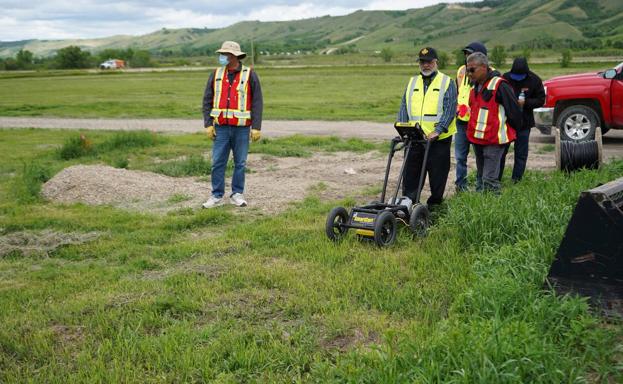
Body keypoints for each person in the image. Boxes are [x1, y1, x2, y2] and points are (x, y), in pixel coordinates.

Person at [201, 41, 263, 208]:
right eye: (222, 54)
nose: (222, 57)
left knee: (240, 163)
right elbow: (207, 100)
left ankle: (237, 193)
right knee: (217, 162)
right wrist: (208, 124)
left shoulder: (250, 74)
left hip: (242, 129)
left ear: (234, 56)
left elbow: (257, 102)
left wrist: (256, 127)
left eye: (225, 54)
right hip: (220, 128)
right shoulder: (215, 74)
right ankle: (216, 196)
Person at [397, 47, 457, 207]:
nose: (426, 65)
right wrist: (403, 129)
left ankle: (434, 207)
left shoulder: (447, 82)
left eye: (429, 62)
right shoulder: (412, 82)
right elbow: (404, 106)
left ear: (436, 62)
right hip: (415, 139)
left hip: (438, 141)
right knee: (410, 175)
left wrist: (437, 130)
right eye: (422, 62)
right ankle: (408, 206)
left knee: (438, 177)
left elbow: (450, 110)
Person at [465, 52, 522, 193]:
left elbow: (514, 112)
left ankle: (494, 209)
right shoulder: (474, 86)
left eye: (472, 70)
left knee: (489, 179)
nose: (469, 73)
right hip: (478, 140)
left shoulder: (500, 85)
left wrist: (509, 134)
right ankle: (482, 208)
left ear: (484, 67)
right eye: (467, 70)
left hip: (494, 141)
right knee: (481, 176)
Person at [498, 57, 545, 182]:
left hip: (524, 124)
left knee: (521, 154)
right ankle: (496, 178)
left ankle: (516, 180)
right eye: (515, 76)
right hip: (506, 123)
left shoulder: (534, 80)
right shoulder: (505, 78)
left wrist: (526, 102)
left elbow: (541, 100)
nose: (517, 79)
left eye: (520, 76)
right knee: (501, 153)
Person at [454, 42, 489, 192]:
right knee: (460, 157)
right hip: (461, 121)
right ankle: (461, 187)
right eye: (466, 54)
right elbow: (458, 91)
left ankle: (481, 187)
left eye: (470, 54)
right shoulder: (461, 71)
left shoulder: (489, 73)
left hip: (478, 122)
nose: (467, 57)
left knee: (481, 157)